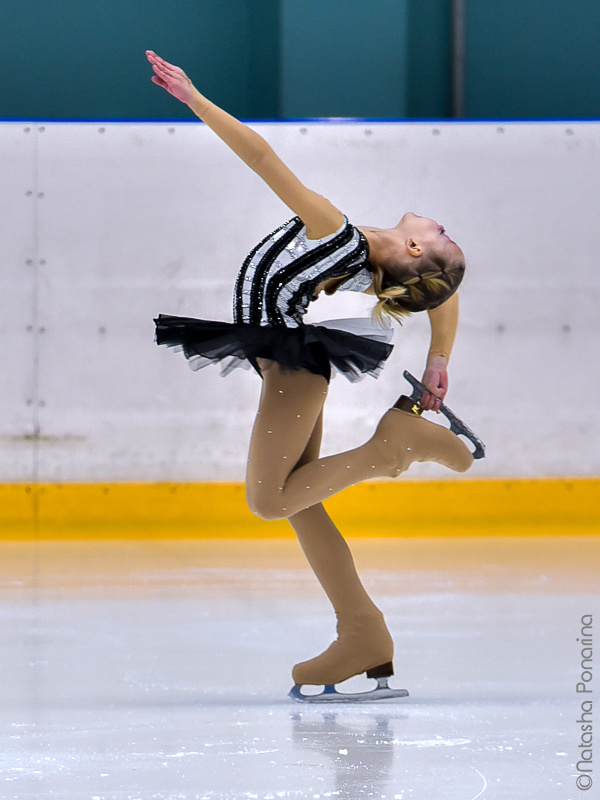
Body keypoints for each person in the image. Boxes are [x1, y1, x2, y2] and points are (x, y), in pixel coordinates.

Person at [147, 51, 473, 699]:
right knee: (302, 503)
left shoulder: (336, 232)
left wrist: (195, 98)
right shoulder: (367, 261)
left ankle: (392, 447)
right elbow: (445, 294)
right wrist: (439, 363)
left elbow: (264, 159)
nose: (440, 224)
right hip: (289, 359)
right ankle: (363, 632)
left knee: (269, 500)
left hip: (294, 364)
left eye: (441, 234)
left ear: (414, 249)